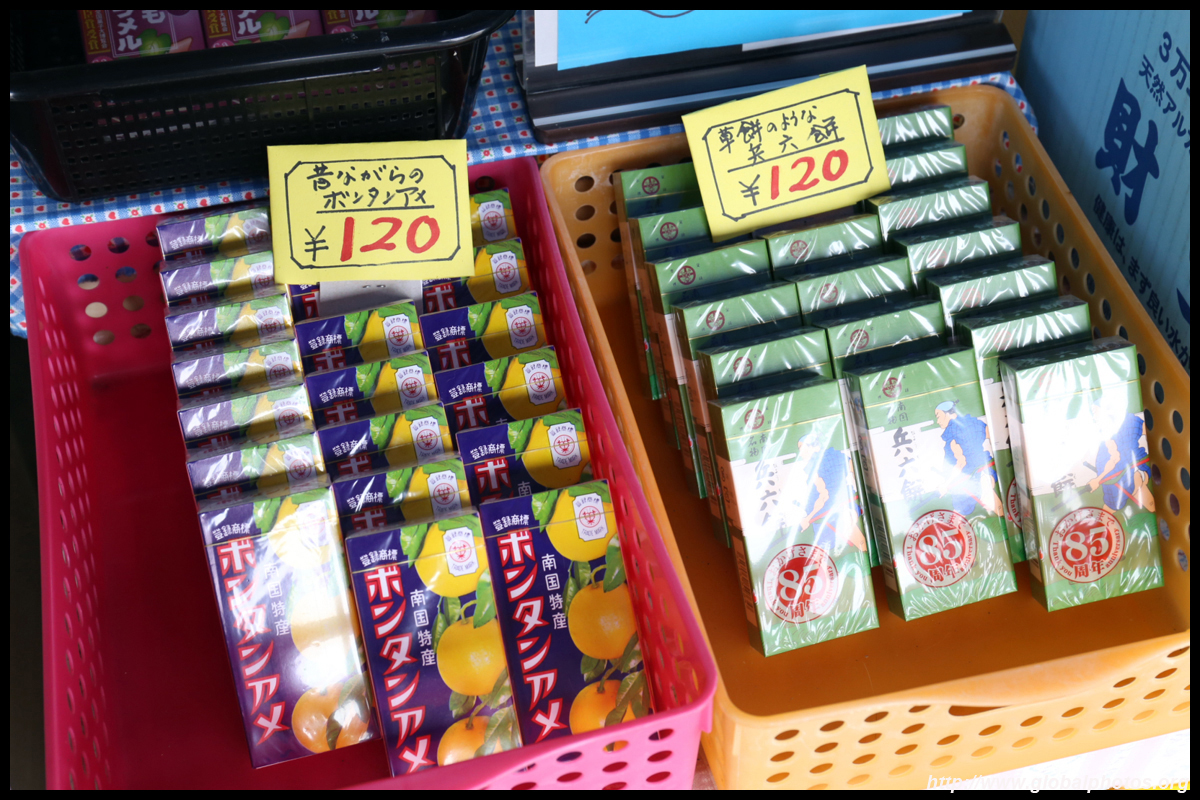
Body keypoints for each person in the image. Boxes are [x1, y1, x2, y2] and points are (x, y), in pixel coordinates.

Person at [788, 431, 868, 554]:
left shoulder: (815, 466)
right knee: (822, 550)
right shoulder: (835, 456)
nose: (801, 452)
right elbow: (854, 467)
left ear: (815, 447)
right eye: (800, 449)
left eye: (803, 448)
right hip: (838, 507)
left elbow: (823, 496)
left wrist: (808, 518)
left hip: (834, 510)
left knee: (850, 534)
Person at [1087, 395, 1155, 515]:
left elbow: (1114, 459)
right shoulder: (1129, 421)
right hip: (1133, 473)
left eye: (1095, 412)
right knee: (1151, 506)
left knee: (1106, 514)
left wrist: (1097, 480)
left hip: (1123, 479)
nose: (1094, 416)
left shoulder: (1110, 433)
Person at [934, 400, 1001, 518]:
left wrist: (946, 485)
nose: (937, 421)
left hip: (973, 478)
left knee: (960, 512)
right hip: (985, 470)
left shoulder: (952, 434)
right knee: (996, 507)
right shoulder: (972, 423)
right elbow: (993, 435)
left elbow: (961, 463)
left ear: (947, 414)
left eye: (938, 416)